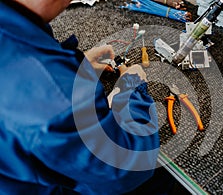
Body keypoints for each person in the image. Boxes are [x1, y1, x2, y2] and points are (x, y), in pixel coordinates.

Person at [0, 0, 161, 194]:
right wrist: (132, 90)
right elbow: (126, 167)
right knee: (159, 180)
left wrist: (75, 69)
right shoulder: (50, 90)